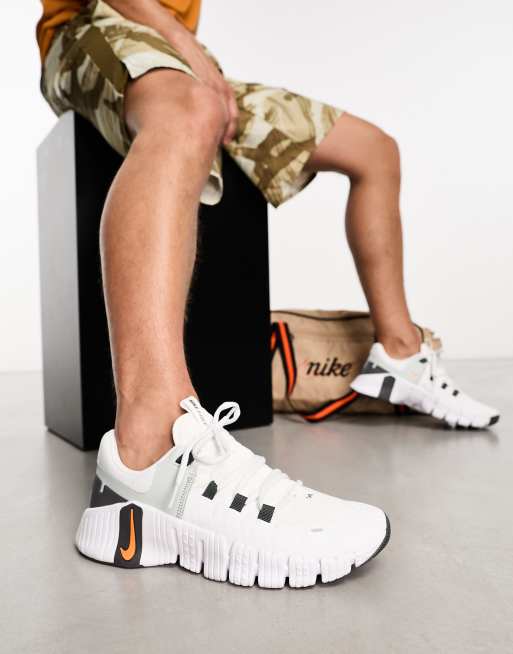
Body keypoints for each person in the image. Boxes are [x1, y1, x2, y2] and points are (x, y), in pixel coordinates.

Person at [37, 0, 498, 588]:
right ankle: (148, 449)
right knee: (190, 108)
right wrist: (188, 46)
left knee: (375, 150)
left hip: (176, 57)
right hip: (90, 29)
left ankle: (400, 355)